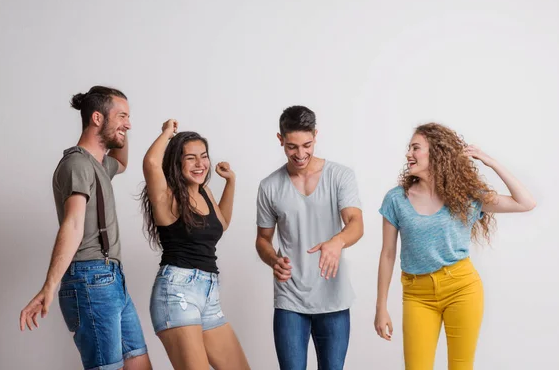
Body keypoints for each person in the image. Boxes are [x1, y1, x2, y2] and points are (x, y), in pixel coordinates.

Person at [374, 123, 536, 370]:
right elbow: (387, 255)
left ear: (436, 152)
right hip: (418, 295)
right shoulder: (396, 199)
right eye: (409, 148)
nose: (408, 154)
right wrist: (381, 307)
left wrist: (490, 161)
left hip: (462, 288)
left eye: (415, 148)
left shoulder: (466, 196)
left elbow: (526, 202)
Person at [19, 86, 152, 370]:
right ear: (96, 118)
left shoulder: (100, 164)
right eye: (121, 116)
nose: (128, 124)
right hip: (91, 279)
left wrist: (123, 129)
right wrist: (49, 286)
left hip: (112, 279)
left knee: (139, 364)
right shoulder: (77, 163)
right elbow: (74, 223)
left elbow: (124, 162)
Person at [255, 106, 364, 370]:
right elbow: (262, 240)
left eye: (307, 145)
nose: (301, 154)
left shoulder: (340, 175)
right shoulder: (269, 186)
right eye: (292, 147)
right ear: (280, 139)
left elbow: (356, 223)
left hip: (333, 298)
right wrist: (273, 260)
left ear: (316, 136)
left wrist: (336, 242)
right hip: (290, 299)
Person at [141, 119, 250, 370]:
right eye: (190, 158)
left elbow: (221, 224)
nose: (200, 164)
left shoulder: (204, 192)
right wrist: (167, 133)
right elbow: (150, 163)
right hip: (177, 292)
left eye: (203, 156)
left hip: (209, 295)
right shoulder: (166, 195)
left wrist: (230, 182)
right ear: (177, 162)